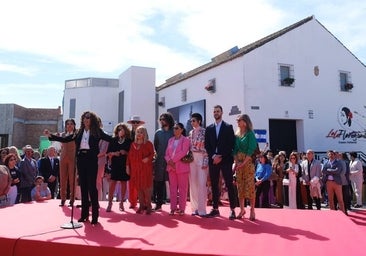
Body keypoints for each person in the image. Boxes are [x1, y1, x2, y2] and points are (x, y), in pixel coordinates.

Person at [44, 111, 114, 225]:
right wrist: (51, 136)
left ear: (92, 120)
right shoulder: (79, 132)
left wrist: (126, 140)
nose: (86, 120)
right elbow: (66, 139)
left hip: (91, 160)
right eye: (84, 118)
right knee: (84, 188)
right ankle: (84, 215)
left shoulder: (97, 131)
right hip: (81, 159)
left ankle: (95, 216)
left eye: (88, 118)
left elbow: (110, 139)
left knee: (92, 187)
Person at [204, 105, 236, 219]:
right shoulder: (209, 128)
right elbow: (207, 145)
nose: (216, 113)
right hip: (213, 160)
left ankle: (232, 210)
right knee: (214, 184)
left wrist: (220, 156)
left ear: (222, 113)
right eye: (214, 111)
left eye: (218, 111)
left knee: (229, 183)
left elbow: (231, 144)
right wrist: (213, 156)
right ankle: (215, 208)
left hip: (225, 160)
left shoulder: (228, 127)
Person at [232, 114, 257, 220]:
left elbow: (251, 149)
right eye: (237, 120)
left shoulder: (250, 134)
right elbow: (234, 150)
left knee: (250, 187)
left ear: (245, 121)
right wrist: (237, 162)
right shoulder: (236, 134)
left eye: (239, 120)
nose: (237, 122)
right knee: (240, 187)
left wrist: (243, 162)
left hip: (248, 162)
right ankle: (242, 209)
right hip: (239, 162)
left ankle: (252, 210)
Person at [127, 126, 154, 214]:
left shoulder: (148, 144)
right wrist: (127, 166)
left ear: (144, 134)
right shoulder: (133, 144)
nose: (139, 134)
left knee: (146, 188)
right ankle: (141, 206)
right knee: (138, 188)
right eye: (138, 132)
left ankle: (148, 206)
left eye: (141, 132)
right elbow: (129, 156)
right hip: (135, 169)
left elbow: (152, 154)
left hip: (145, 169)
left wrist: (148, 158)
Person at [165, 123, 191, 215]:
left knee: (182, 188)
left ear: (181, 130)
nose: (175, 130)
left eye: (177, 128)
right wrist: (169, 161)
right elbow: (166, 153)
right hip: (171, 167)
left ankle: (182, 209)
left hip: (182, 167)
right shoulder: (170, 140)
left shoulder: (186, 140)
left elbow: (184, 152)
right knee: (172, 189)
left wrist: (173, 160)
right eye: (174, 128)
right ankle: (173, 208)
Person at [106, 123, 131, 212]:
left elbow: (131, 153)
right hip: (115, 164)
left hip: (124, 164)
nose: (120, 131)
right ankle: (109, 203)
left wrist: (125, 152)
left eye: (122, 129)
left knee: (124, 183)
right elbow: (108, 153)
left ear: (125, 130)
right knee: (113, 183)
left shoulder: (128, 140)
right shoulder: (113, 140)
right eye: (119, 129)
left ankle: (121, 202)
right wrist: (114, 153)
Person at [153, 112, 174, 211]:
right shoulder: (158, 133)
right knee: (159, 182)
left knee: (173, 182)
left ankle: (174, 204)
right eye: (160, 119)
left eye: (164, 119)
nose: (162, 121)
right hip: (160, 161)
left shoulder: (174, 132)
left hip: (172, 161)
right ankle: (158, 203)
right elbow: (156, 146)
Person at [188, 113, 208, 217]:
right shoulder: (190, 132)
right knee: (193, 183)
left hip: (201, 157)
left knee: (201, 184)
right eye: (191, 121)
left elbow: (208, 147)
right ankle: (194, 208)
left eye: (194, 121)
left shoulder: (204, 131)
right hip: (192, 159)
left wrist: (205, 162)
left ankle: (202, 209)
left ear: (199, 121)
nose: (192, 122)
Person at [127, 115, 145, 209]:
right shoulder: (128, 134)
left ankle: (143, 201)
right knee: (131, 182)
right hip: (131, 160)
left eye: (136, 122)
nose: (135, 124)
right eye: (133, 122)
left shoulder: (144, 133)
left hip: (141, 160)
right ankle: (132, 202)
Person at [58, 118, 77, 207]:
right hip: (63, 158)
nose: (69, 125)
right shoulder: (62, 135)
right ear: (65, 126)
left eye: (71, 124)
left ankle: (72, 199)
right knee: (62, 179)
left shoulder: (76, 135)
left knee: (72, 180)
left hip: (73, 159)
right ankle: (63, 198)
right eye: (68, 124)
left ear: (74, 126)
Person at [97, 117, 109, 201]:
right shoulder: (89, 133)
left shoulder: (105, 134)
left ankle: (98, 201)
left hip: (100, 161)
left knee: (98, 182)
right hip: (89, 161)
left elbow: (103, 150)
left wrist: (91, 155)